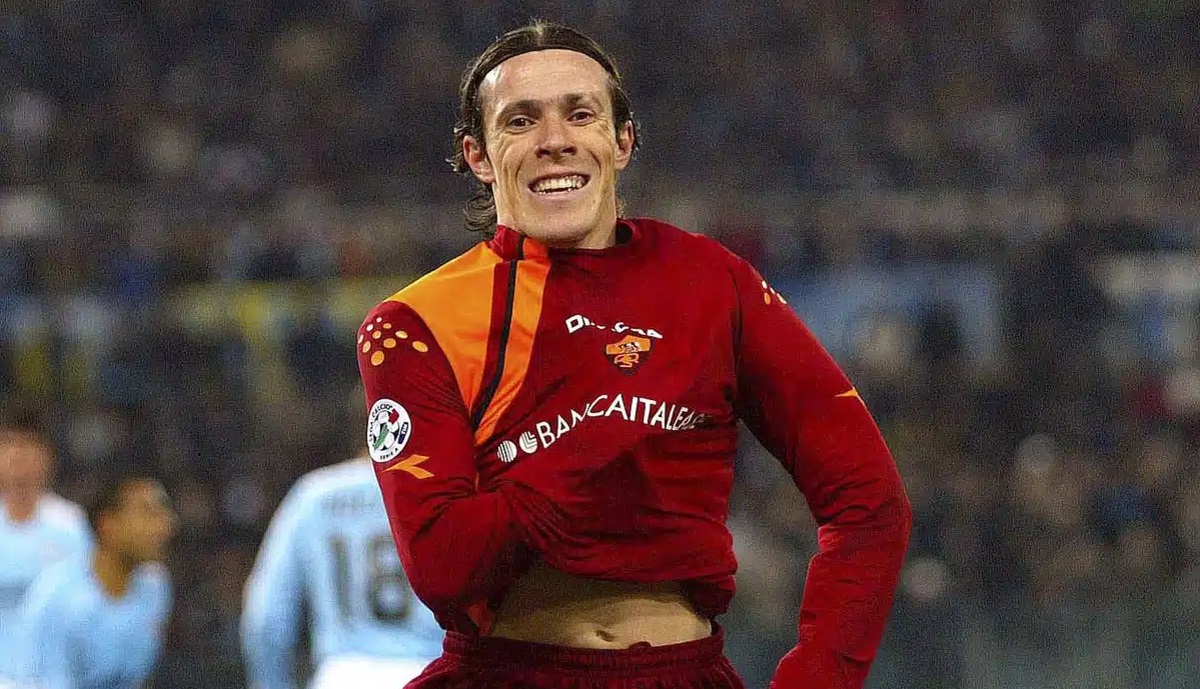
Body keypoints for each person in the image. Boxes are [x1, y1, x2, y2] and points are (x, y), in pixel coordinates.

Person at [356, 20, 912, 689]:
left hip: (683, 673)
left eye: (580, 114)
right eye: (520, 121)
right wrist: (604, 432)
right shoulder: (413, 325)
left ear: (622, 141)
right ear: (477, 155)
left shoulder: (713, 285)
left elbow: (868, 500)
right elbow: (443, 567)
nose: (555, 140)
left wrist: (818, 677)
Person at [241, 455, 444, 689]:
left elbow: (265, 618)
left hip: (341, 676)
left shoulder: (314, 496)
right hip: (429, 670)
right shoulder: (444, 493)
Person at [19, 473, 175, 689]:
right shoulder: (57, 599)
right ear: (108, 524)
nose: (165, 525)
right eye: (148, 513)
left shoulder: (155, 587)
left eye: (164, 513)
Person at [0, 413, 92, 686]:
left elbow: (85, 607)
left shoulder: (72, 527)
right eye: (9, 444)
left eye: (28, 445)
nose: (18, 455)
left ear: (48, 457)